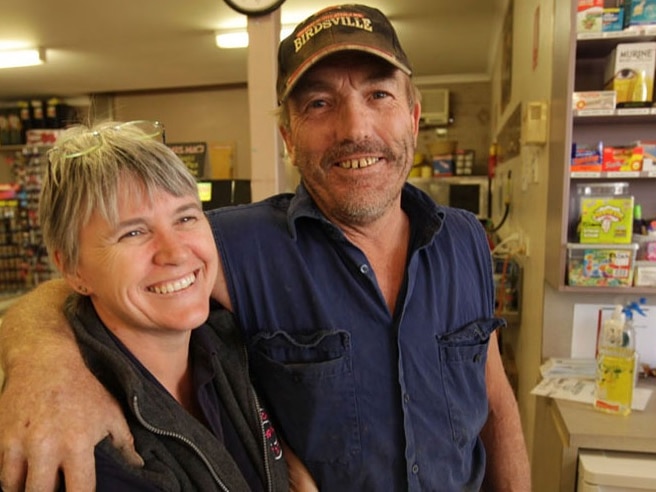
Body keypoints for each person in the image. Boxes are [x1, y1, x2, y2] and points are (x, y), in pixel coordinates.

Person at [0, 4, 531, 491]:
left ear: (413, 118)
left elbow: (497, 403)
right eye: (320, 103)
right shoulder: (234, 246)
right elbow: (100, 277)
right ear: (288, 137)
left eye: (379, 95)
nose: (355, 128)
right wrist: (44, 365)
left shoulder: (465, 238)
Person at [14, 120, 291, 490]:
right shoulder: (80, 435)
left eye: (186, 217)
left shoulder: (231, 340)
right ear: (72, 268)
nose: (175, 252)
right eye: (133, 232)